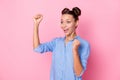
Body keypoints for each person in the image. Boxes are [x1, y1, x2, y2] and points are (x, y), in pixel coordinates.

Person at [33, 7, 90, 80]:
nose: (64, 25)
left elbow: (79, 73)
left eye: (68, 22)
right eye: (62, 22)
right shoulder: (56, 42)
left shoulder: (84, 44)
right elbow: (37, 48)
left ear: (76, 23)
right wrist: (36, 25)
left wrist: (75, 51)